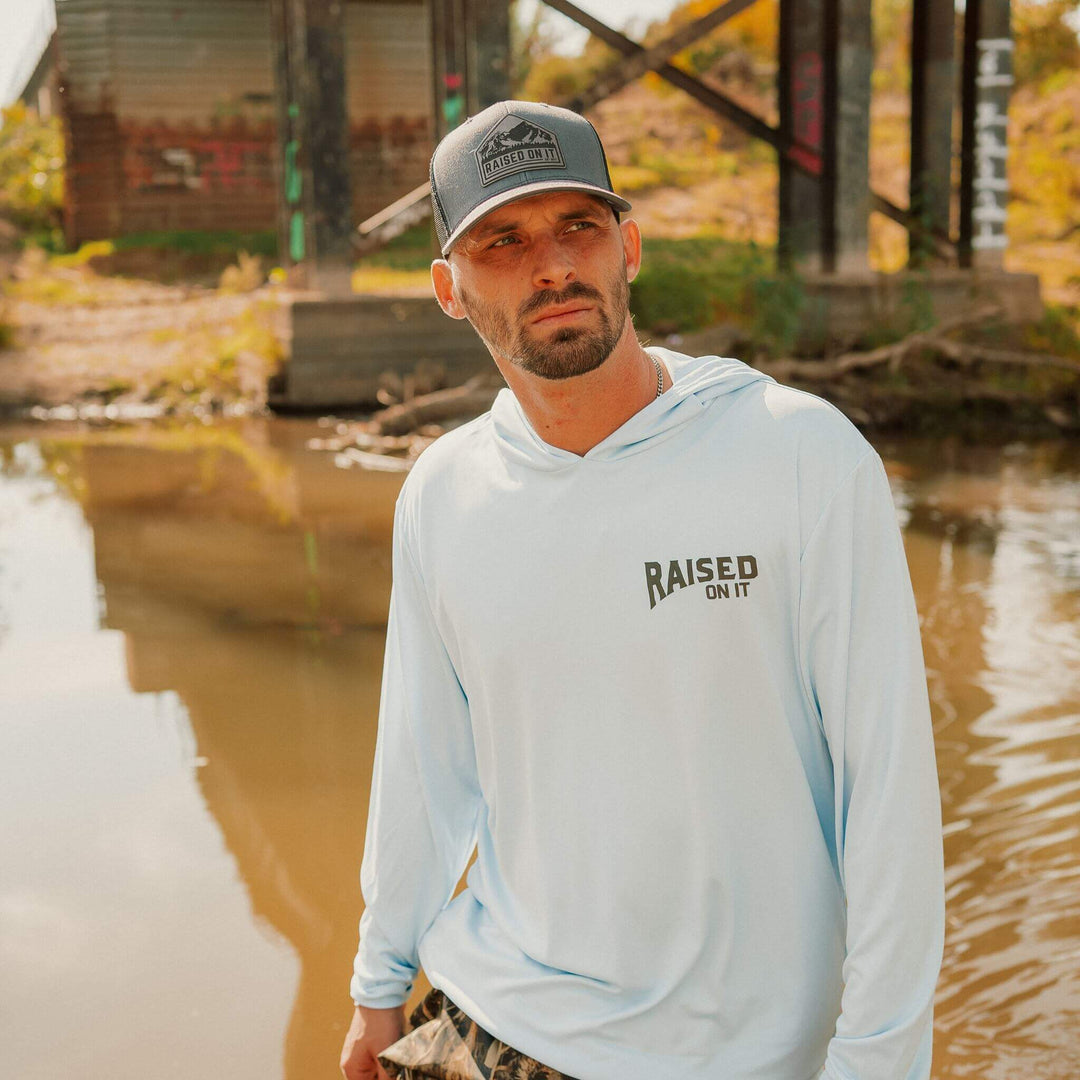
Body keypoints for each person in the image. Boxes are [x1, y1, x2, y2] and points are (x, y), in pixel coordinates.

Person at [340, 100, 944, 1080]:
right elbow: (420, 766)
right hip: (495, 1026)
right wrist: (378, 985)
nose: (551, 264)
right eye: (504, 239)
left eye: (578, 225)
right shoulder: (443, 494)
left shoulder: (800, 454)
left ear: (629, 246)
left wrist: (877, 1061)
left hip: (743, 1056)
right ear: (449, 288)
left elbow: (889, 797)